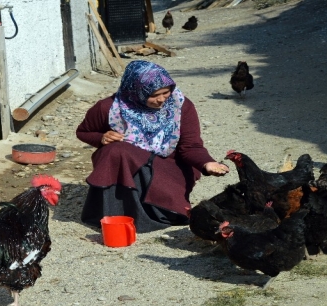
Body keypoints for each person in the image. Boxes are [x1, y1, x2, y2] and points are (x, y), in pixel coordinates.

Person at [76, 60, 229, 233]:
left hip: (169, 164)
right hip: (127, 161)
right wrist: (101, 137)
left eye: (166, 92)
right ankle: (118, 215)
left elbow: (191, 145)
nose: (162, 99)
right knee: (115, 151)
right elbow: (83, 132)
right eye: (154, 95)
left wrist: (207, 163)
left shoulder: (181, 106)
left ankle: (156, 212)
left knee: (168, 200)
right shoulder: (109, 108)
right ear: (136, 91)